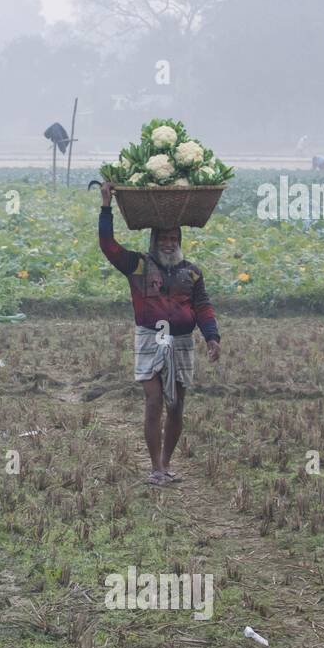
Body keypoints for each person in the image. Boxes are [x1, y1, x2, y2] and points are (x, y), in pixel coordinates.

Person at [98, 181, 221, 485]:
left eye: (173, 238)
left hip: (181, 341)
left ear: (179, 242)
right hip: (150, 338)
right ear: (153, 242)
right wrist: (105, 206)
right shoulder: (138, 265)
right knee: (154, 400)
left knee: (177, 404)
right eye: (163, 238)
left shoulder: (191, 272)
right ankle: (155, 467)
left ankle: (166, 464)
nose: (168, 243)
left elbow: (203, 306)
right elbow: (108, 246)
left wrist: (212, 336)